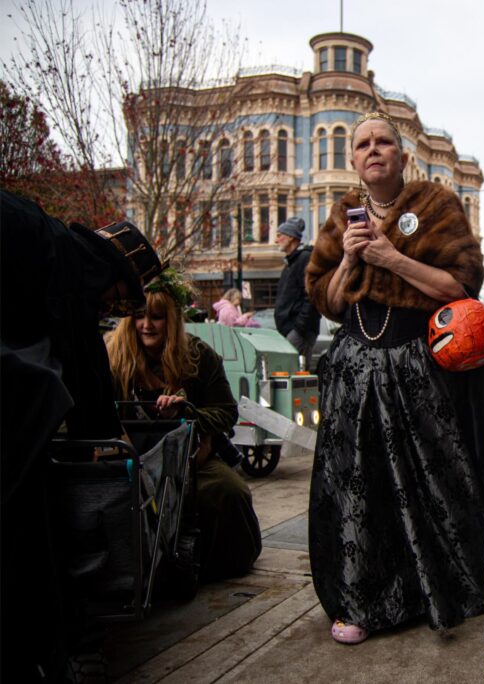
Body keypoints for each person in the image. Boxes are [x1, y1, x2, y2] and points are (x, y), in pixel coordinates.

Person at [304, 111, 484, 645]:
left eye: (383, 141)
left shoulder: (435, 206)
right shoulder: (342, 214)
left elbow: (460, 286)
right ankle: (360, 599)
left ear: (402, 154)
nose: (373, 150)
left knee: (434, 477)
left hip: (415, 363)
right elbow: (324, 298)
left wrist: (390, 257)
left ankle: (440, 586)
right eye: (362, 143)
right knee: (357, 483)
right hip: (353, 368)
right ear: (353, 160)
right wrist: (348, 262)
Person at [1, 190, 162, 681]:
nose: (111, 308)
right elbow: (86, 366)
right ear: (106, 274)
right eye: (115, 297)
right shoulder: (64, 266)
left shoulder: (50, 247)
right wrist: (113, 440)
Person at [106, 268, 262, 582]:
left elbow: (225, 412)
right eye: (139, 317)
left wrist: (187, 412)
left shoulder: (199, 355)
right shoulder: (114, 357)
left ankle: (216, 565)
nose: (146, 325)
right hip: (132, 459)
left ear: (172, 319)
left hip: (192, 459)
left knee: (229, 491)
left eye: (156, 317)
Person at [274, 216, 319, 370]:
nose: (276, 240)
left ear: (291, 237)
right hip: (290, 331)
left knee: (294, 375)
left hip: (299, 332)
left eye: (280, 235)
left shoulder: (304, 259)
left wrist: (299, 328)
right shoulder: (291, 263)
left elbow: (311, 296)